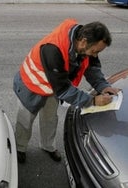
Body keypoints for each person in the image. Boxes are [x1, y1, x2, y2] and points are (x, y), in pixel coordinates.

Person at [13, 18, 120, 163]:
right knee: (25, 120)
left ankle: (47, 146)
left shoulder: (86, 43)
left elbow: (92, 68)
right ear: (83, 41)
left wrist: (103, 86)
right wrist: (93, 100)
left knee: (50, 118)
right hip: (31, 84)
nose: (95, 55)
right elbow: (63, 89)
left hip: (53, 86)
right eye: (95, 51)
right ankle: (19, 148)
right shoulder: (52, 49)